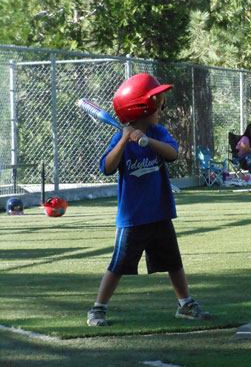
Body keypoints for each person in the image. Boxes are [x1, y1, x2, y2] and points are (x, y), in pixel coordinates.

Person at [87, 73, 210, 327]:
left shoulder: (158, 132)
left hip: (160, 213)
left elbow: (173, 154)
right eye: (157, 104)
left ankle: (185, 304)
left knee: (173, 262)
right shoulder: (119, 139)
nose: (161, 110)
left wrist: (147, 140)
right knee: (118, 265)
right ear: (141, 107)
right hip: (133, 218)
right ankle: (98, 309)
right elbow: (107, 168)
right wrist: (123, 140)